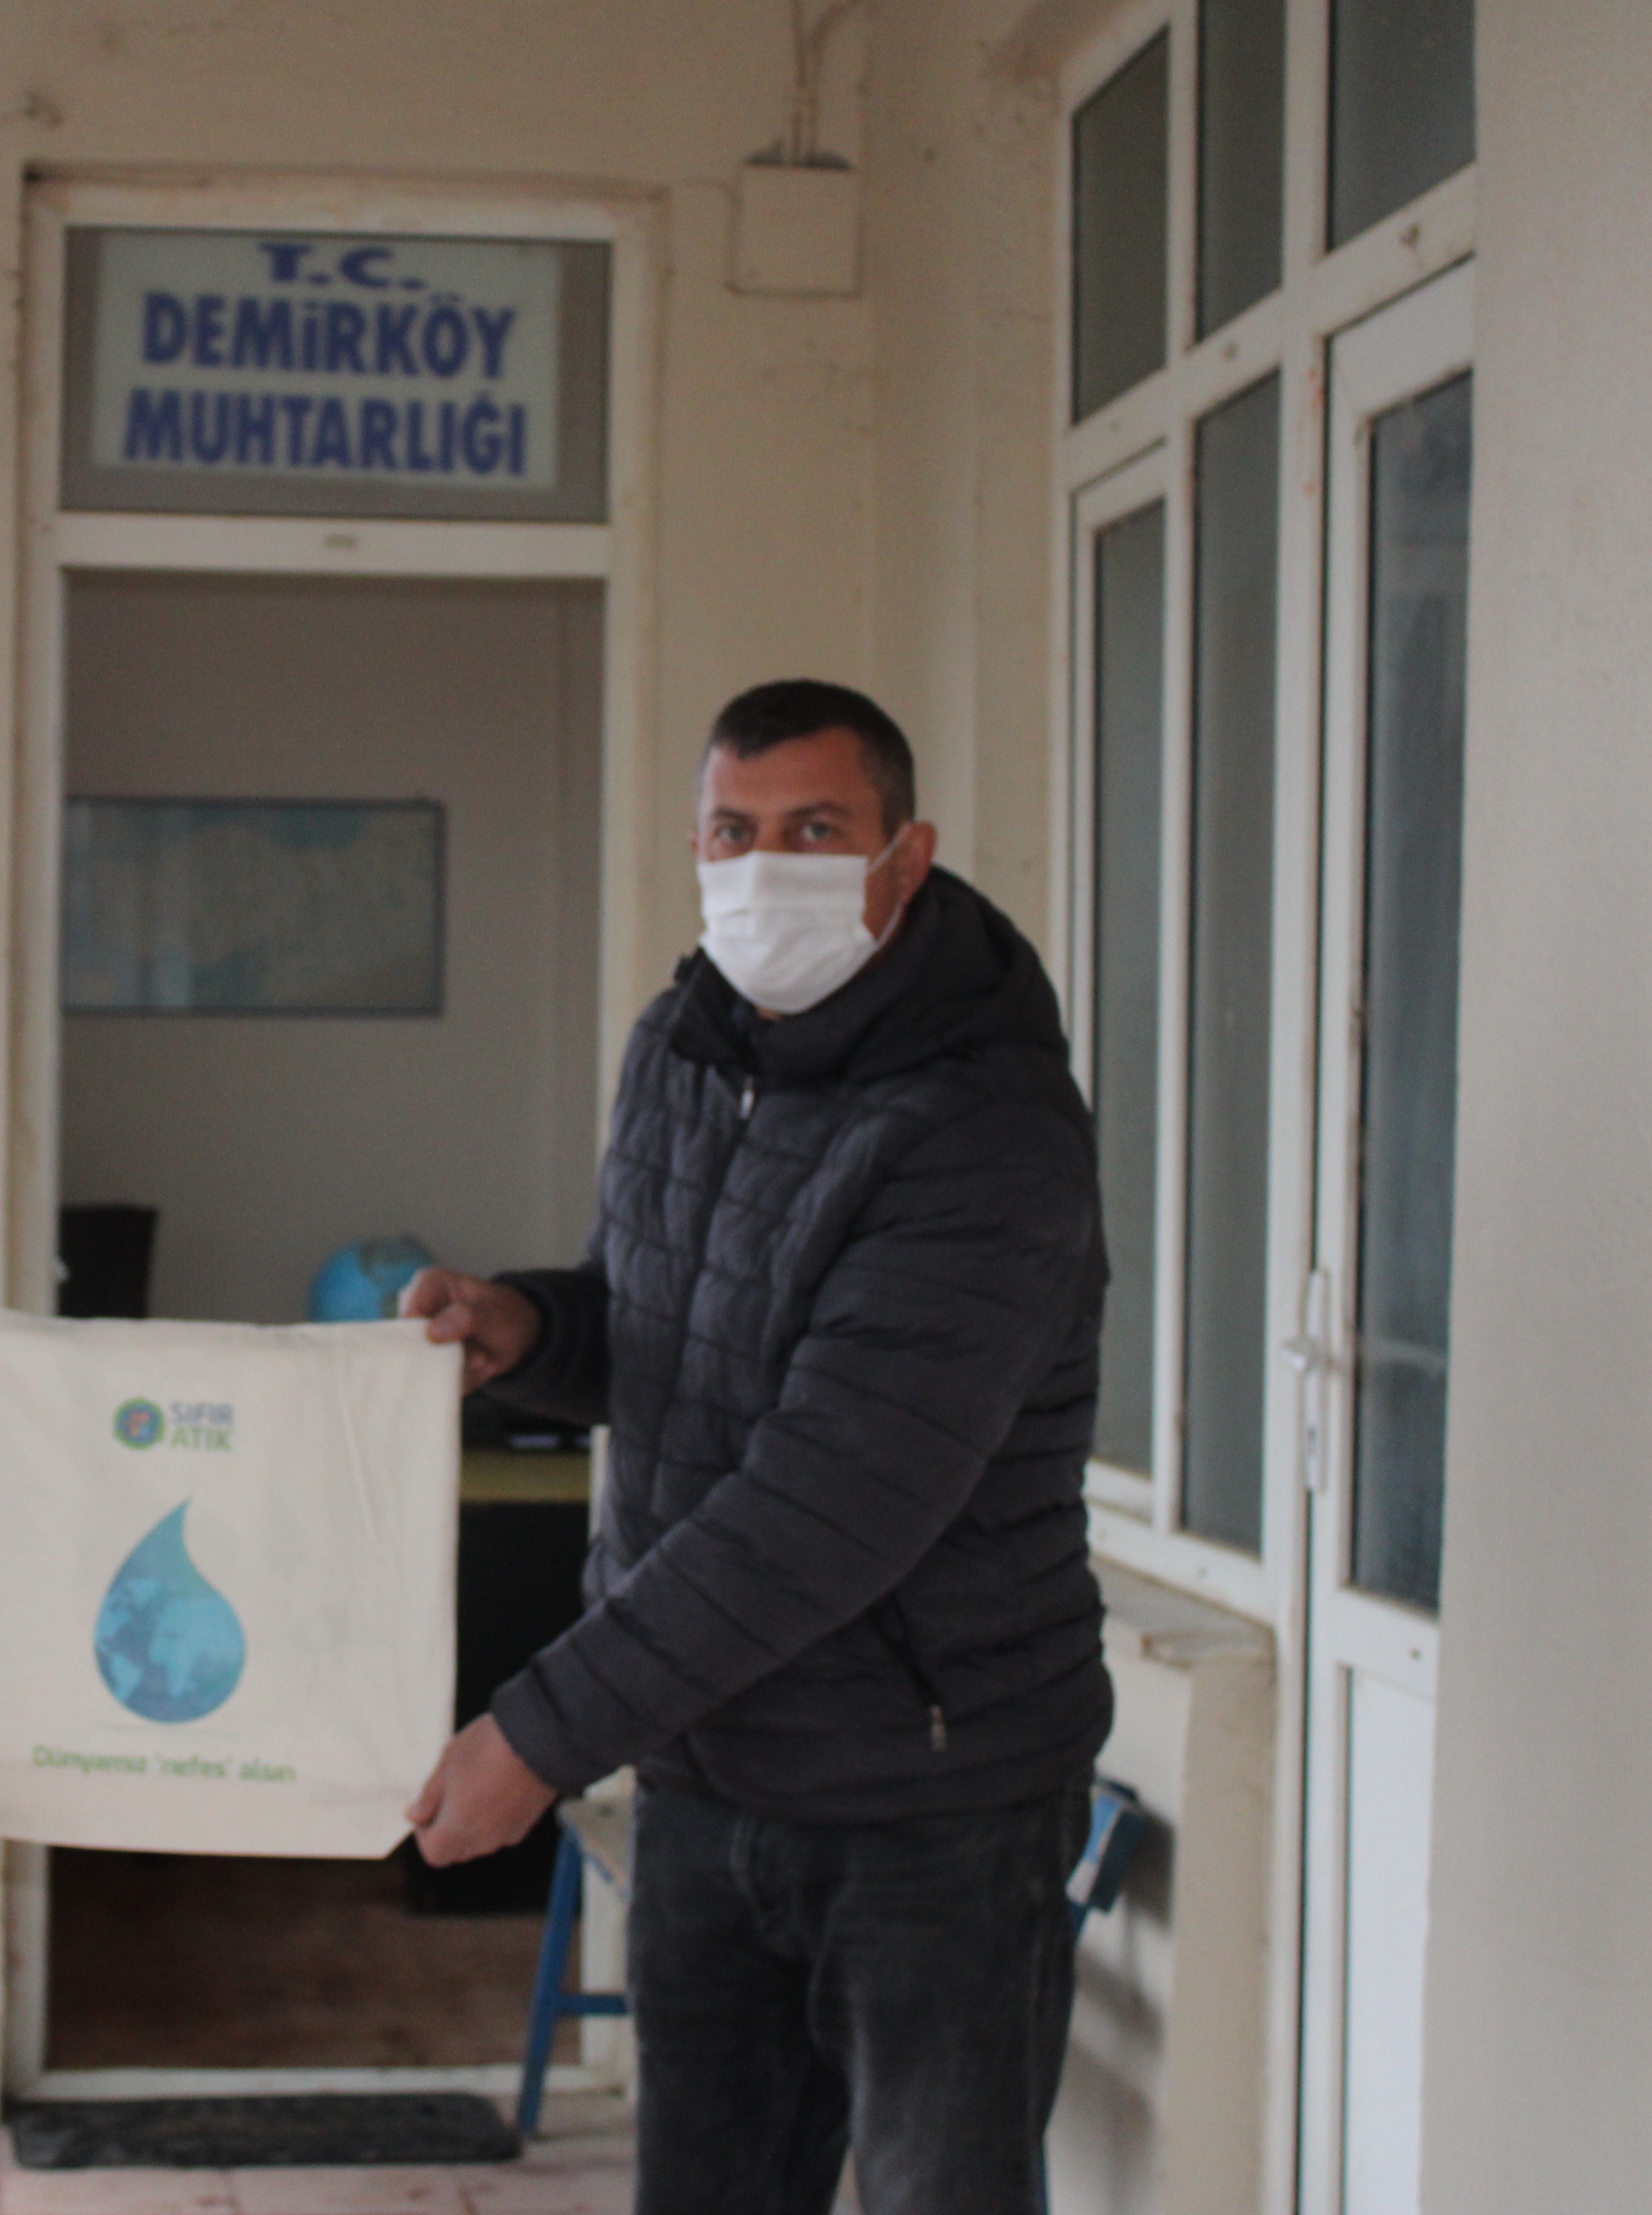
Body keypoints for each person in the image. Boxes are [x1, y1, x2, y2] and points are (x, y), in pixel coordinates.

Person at [401, 682, 1111, 2215]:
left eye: (815, 831)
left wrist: (537, 1732)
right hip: (712, 1774)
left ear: (903, 860)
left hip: (931, 1806)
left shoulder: (987, 1129)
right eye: (736, 832)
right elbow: (672, 1337)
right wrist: (530, 1329)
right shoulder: (684, 1048)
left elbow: (830, 1497)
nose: (765, 868)